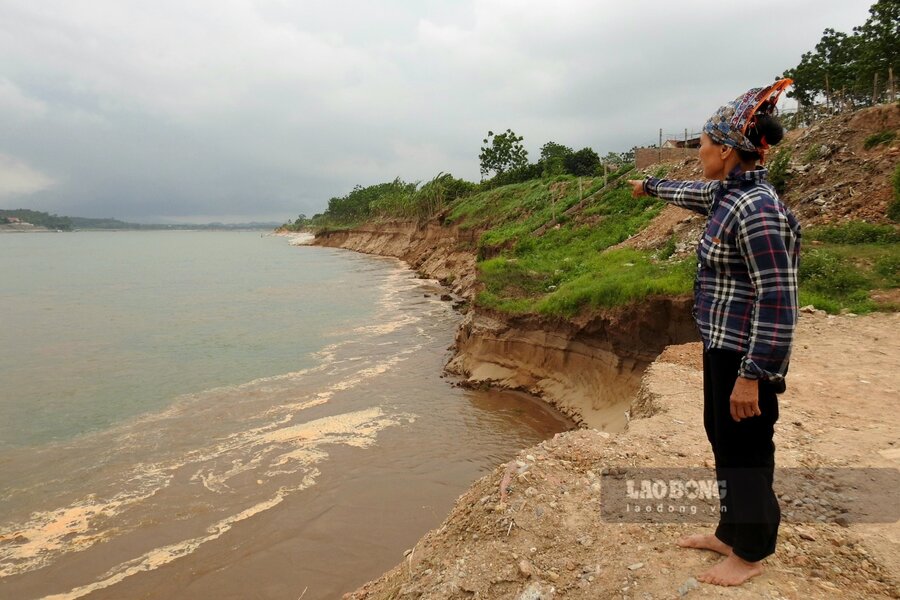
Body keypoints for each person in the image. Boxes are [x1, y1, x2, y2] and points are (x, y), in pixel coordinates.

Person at [628, 78, 801, 586]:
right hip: (721, 346)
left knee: (746, 449)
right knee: (724, 441)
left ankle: (748, 554)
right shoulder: (731, 194)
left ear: (726, 150)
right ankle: (730, 531)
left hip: (746, 356)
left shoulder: (758, 210)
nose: (697, 154)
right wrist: (648, 187)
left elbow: (778, 299)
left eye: (702, 147)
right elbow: (694, 191)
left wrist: (754, 374)